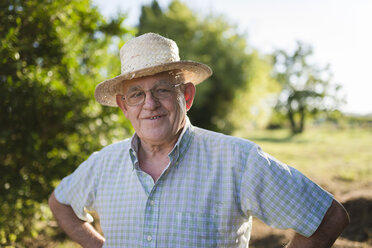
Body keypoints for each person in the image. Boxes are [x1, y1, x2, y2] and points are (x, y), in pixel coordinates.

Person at [48, 33, 349, 248]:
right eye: (137, 94)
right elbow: (60, 202)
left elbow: (328, 217)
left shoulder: (237, 159)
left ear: (187, 96)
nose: (149, 104)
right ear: (124, 106)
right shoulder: (103, 164)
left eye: (163, 89)